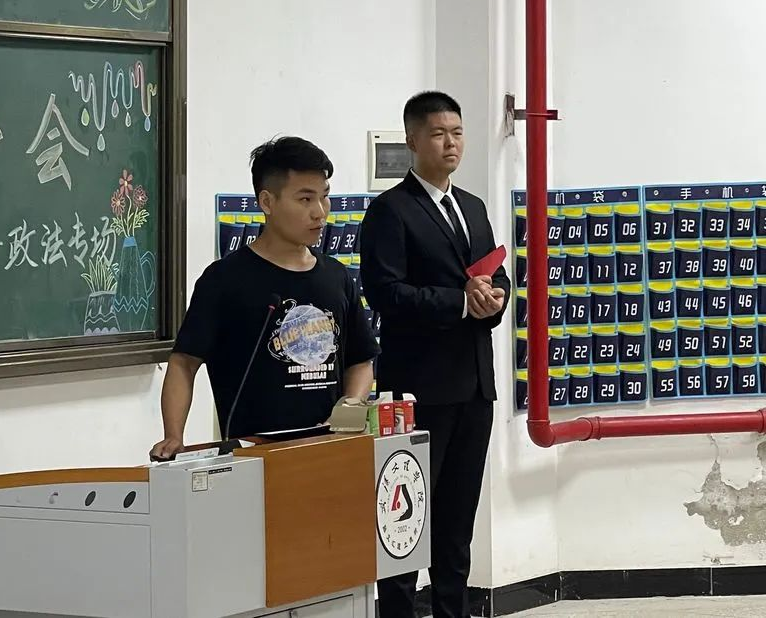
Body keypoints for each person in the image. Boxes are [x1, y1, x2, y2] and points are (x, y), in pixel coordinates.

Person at [359, 91, 509, 618]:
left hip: (475, 387)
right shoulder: (390, 210)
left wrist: (494, 299)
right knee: (404, 520)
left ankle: (453, 611)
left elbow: (496, 276)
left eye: (458, 132)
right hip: (418, 390)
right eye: (439, 133)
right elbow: (385, 293)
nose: (451, 143)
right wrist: (458, 303)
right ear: (413, 140)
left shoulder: (473, 207)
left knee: (456, 521)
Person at [150, 136, 379, 460]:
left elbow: (361, 360)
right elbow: (184, 363)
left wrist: (350, 409)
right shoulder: (224, 279)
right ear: (267, 202)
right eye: (305, 199)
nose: (319, 212)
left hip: (328, 449)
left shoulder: (336, 276)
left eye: (324, 197)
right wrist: (174, 435)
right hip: (254, 456)